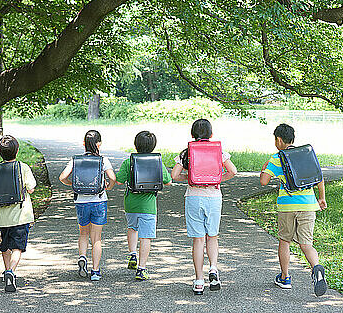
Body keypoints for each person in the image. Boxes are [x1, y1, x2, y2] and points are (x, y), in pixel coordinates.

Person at [260, 123, 328, 296]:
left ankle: (285, 278)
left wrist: (265, 167)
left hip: (287, 207)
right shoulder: (306, 154)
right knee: (307, 244)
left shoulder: (277, 157)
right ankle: (317, 269)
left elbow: (263, 182)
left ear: (279, 139)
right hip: (308, 206)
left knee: (285, 241)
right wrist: (321, 198)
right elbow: (319, 177)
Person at [171, 119, 238, 295]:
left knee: (198, 240)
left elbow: (174, 175)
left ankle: (199, 280)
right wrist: (216, 179)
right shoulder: (219, 151)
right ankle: (214, 268)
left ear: (192, 134)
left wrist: (191, 178)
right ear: (211, 134)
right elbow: (233, 171)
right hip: (214, 196)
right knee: (213, 236)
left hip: (194, 197)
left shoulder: (187, 152)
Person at [59, 130, 117, 281]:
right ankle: (95, 271)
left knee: (83, 233)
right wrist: (108, 187)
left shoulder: (75, 160)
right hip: (99, 200)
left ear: (83, 144)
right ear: (99, 144)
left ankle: (82, 257)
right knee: (96, 238)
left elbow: (62, 177)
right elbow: (112, 177)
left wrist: (73, 184)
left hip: (81, 202)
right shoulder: (103, 160)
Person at [115, 131, 172, 281]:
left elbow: (120, 181)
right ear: (153, 146)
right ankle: (141, 268)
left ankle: (132, 255)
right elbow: (168, 181)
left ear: (136, 144)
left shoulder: (129, 161)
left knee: (132, 227)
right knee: (145, 237)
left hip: (131, 203)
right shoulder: (157, 161)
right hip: (148, 205)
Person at [0, 135, 37, 293]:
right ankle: (11, 272)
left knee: (5, 245)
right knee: (17, 247)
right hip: (20, 214)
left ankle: (6, 270)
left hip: (2, 215)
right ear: (17, 151)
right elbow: (31, 188)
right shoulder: (22, 167)